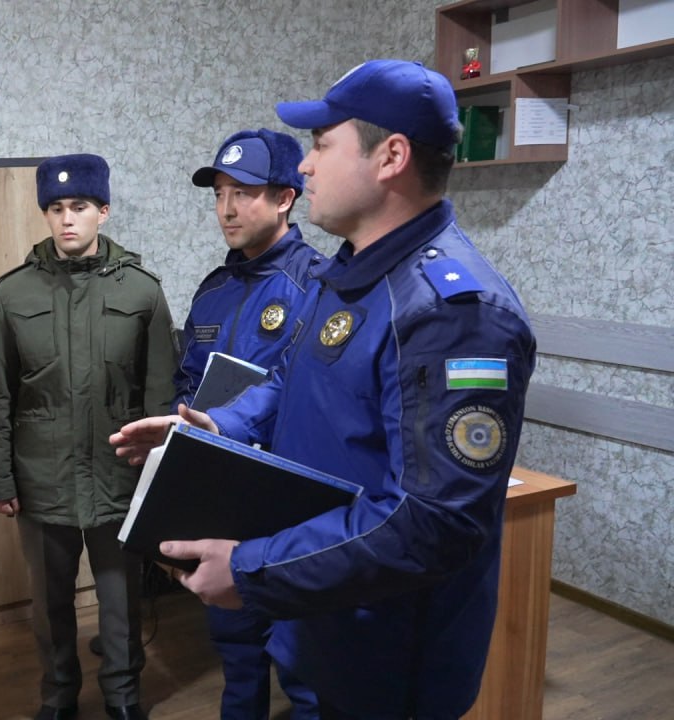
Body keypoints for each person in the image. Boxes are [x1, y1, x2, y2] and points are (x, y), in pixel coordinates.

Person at [111, 59, 536, 719]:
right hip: (323, 614)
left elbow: (432, 523)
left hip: (388, 651)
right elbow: (291, 379)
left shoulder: (453, 313)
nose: (305, 166)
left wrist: (252, 568)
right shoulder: (352, 275)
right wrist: (215, 428)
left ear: (391, 157)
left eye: (321, 144)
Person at [0, 154, 176, 720]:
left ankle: (123, 697)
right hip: (43, 477)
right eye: (56, 208)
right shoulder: (14, 294)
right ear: (46, 214)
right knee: (49, 602)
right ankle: (59, 696)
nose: (67, 219)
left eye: (80, 207)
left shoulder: (142, 292)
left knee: (120, 599)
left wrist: (161, 480)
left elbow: (160, 395)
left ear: (102, 212)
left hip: (118, 473)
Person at [176, 129, 322, 720]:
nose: (227, 209)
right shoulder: (213, 290)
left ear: (285, 197)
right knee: (236, 652)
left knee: (305, 661)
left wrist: (227, 424)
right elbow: (188, 378)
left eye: (244, 192)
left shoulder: (320, 285)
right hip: (223, 491)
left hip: (289, 498)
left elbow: (303, 388)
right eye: (219, 194)